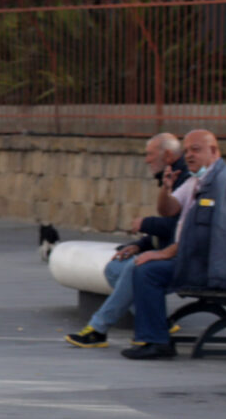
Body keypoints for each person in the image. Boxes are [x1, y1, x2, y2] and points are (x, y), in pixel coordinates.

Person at [122, 129, 226, 360]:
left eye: (196, 150)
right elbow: (168, 210)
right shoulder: (197, 179)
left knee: (148, 271)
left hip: (212, 270)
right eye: (187, 150)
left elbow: (217, 235)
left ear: (213, 151)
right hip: (197, 261)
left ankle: (156, 341)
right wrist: (166, 188)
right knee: (144, 267)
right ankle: (154, 337)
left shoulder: (222, 183)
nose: (189, 155)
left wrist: (165, 253)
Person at [65, 132, 188, 348]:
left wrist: (146, 224)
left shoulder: (187, 179)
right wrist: (139, 245)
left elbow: (184, 229)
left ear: (167, 155)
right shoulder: (173, 175)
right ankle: (158, 321)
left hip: (186, 260)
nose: (146, 159)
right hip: (172, 252)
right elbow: (172, 228)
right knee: (114, 267)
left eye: (150, 154)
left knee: (134, 268)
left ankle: (98, 328)